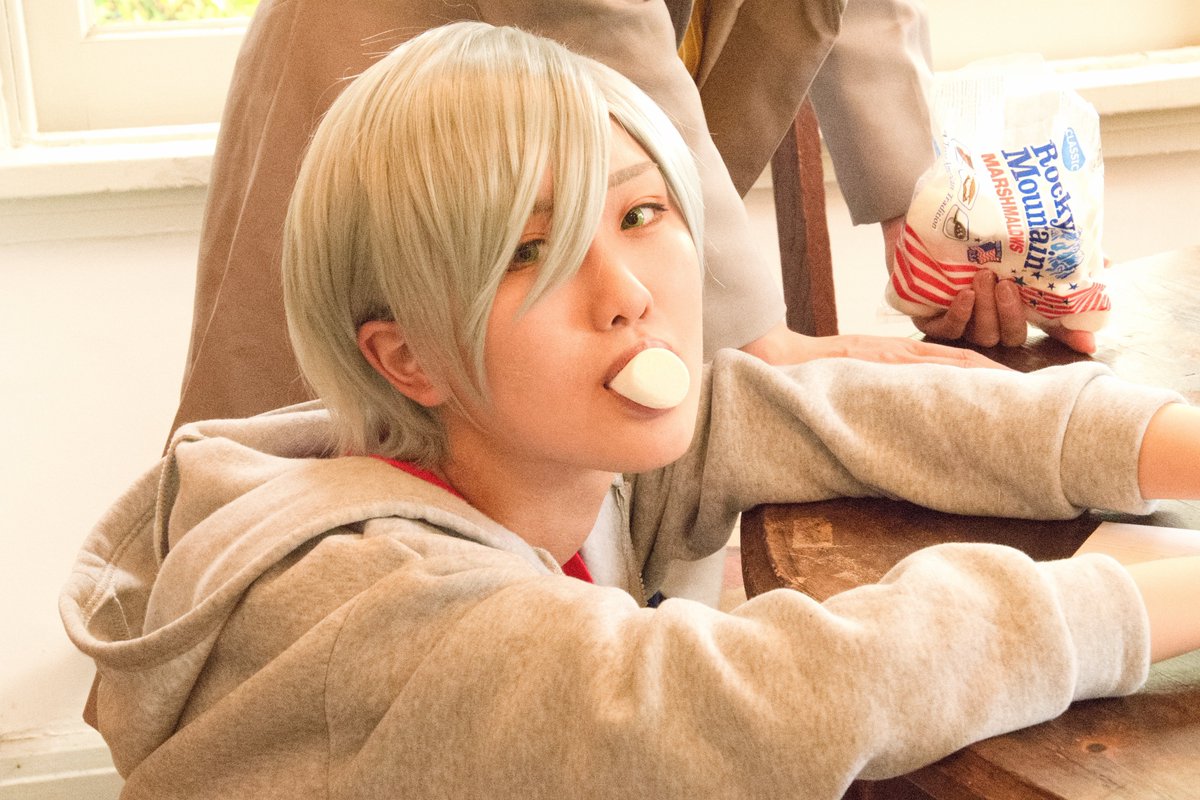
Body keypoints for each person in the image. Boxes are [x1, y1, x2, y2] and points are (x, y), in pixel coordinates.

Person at [62, 23, 1200, 798]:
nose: (627, 294)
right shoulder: (399, 620)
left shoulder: (542, 448)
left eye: (641, 215)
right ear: (407, 357)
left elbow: (820, 407)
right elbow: (771, 700)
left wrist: (1167, 444)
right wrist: (1154, 596)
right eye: (529, 253)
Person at [170, 0, 1010, 435]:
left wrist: (925, 211)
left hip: (586, 81)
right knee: (358, 478)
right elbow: (594, 28)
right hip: (407, 83)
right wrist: (759, 342)